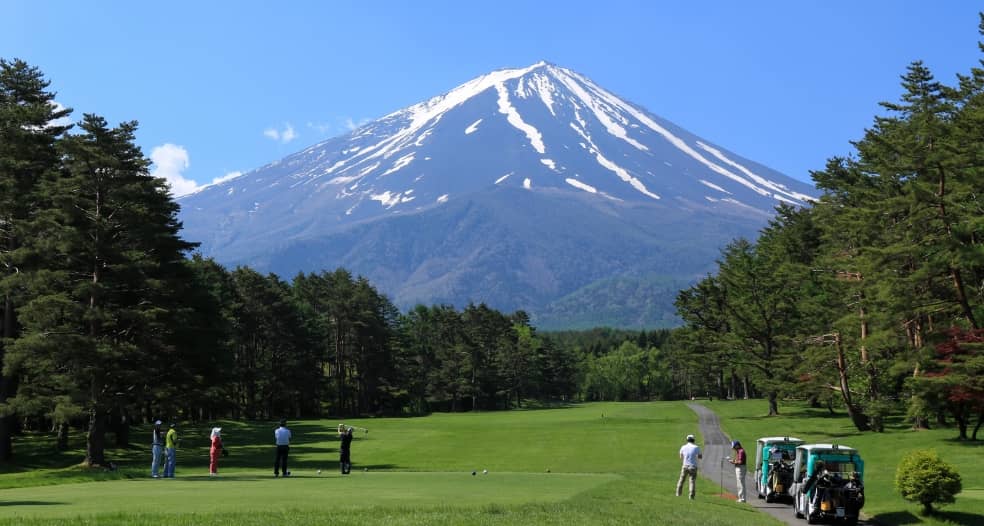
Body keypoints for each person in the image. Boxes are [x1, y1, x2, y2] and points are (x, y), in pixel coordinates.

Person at [676, 434, 702, 499]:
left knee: (681, 480)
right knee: (692, 481)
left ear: (687, 440)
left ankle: (678, 493)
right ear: (693, 440)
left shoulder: (683, 447)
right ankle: (691, 496)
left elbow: (681, 456)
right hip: (693, 466)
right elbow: (700, 457)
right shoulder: (696, 447)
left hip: (685, 465)